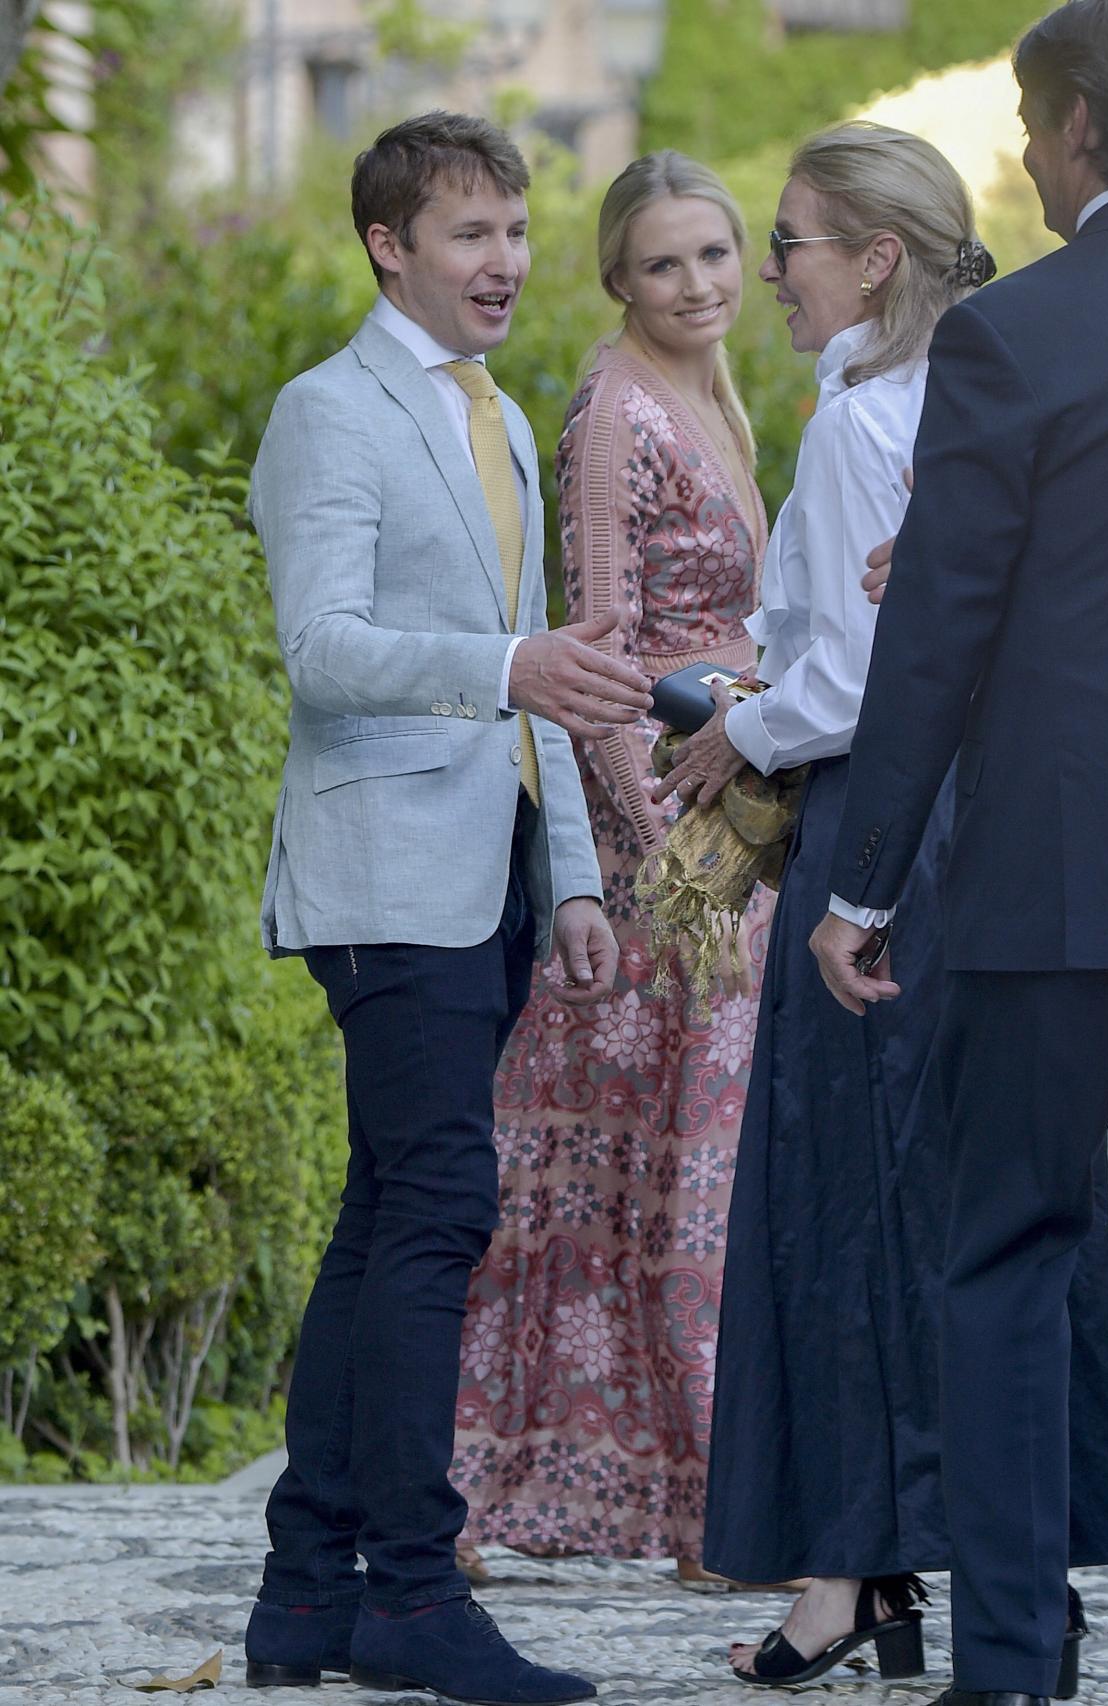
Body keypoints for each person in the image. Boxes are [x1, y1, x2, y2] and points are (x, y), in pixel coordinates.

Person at [810, 5, 1108, 1704]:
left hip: (1058, 880)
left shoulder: (1013, 334)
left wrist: (860, 883)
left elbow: (936, 626)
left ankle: (1013, 1663)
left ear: (1078, 126)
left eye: (1031, 122)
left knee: (1004, 1252)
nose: (1021, 152)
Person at [656, 120, 1108, 1695]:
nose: (768, 271)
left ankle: (858, 1567)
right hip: (984, 825)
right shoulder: (967, 393)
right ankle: (973, 1568)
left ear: (873, 258)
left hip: (888, 829)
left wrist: (745, 719)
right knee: (984, 1195)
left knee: (856, 1207)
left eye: (787, 241)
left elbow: (869, 669)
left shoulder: (871, 414)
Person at [241, 111, 657, 1705]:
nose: (506, 261)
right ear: (388, 247)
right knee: (437, 1214)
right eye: (470, 233)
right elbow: (323, 647)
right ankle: (412, 1592)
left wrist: (567, 883)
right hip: (381, 879)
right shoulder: (327, 414)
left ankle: (304, 1591)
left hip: (485, 873)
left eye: (515, 230)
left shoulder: (484, 411)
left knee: (382, 1222)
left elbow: (538, 658)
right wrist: (504, 668)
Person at [451, 150, 775, 1582]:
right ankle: (474, 1491)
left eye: (715, 255)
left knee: (677, 1192)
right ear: (618, 278)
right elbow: (598, 665)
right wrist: (673, 868)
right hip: (663, 870)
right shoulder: (612, 414)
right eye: (664, 263)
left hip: (727, 834)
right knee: (608, 1195)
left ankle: (703, 1501)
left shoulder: (711, 391)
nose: (697, 284)